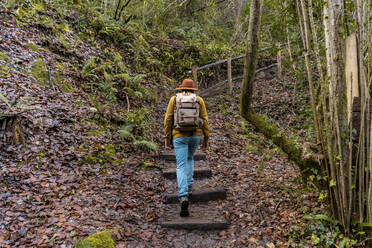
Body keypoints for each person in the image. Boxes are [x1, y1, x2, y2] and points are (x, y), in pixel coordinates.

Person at [164, 78, 209, 217]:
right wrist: (206, 138)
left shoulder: (174, 99)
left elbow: (168, 119)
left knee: (181, 165)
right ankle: (189, 185)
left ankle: (183, 195)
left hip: (179, 135)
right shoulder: (199, 100)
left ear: (181, 88)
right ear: (193, 89)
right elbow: (205, 120)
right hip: (195, 135)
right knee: (190, 159)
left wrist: (167, 138)